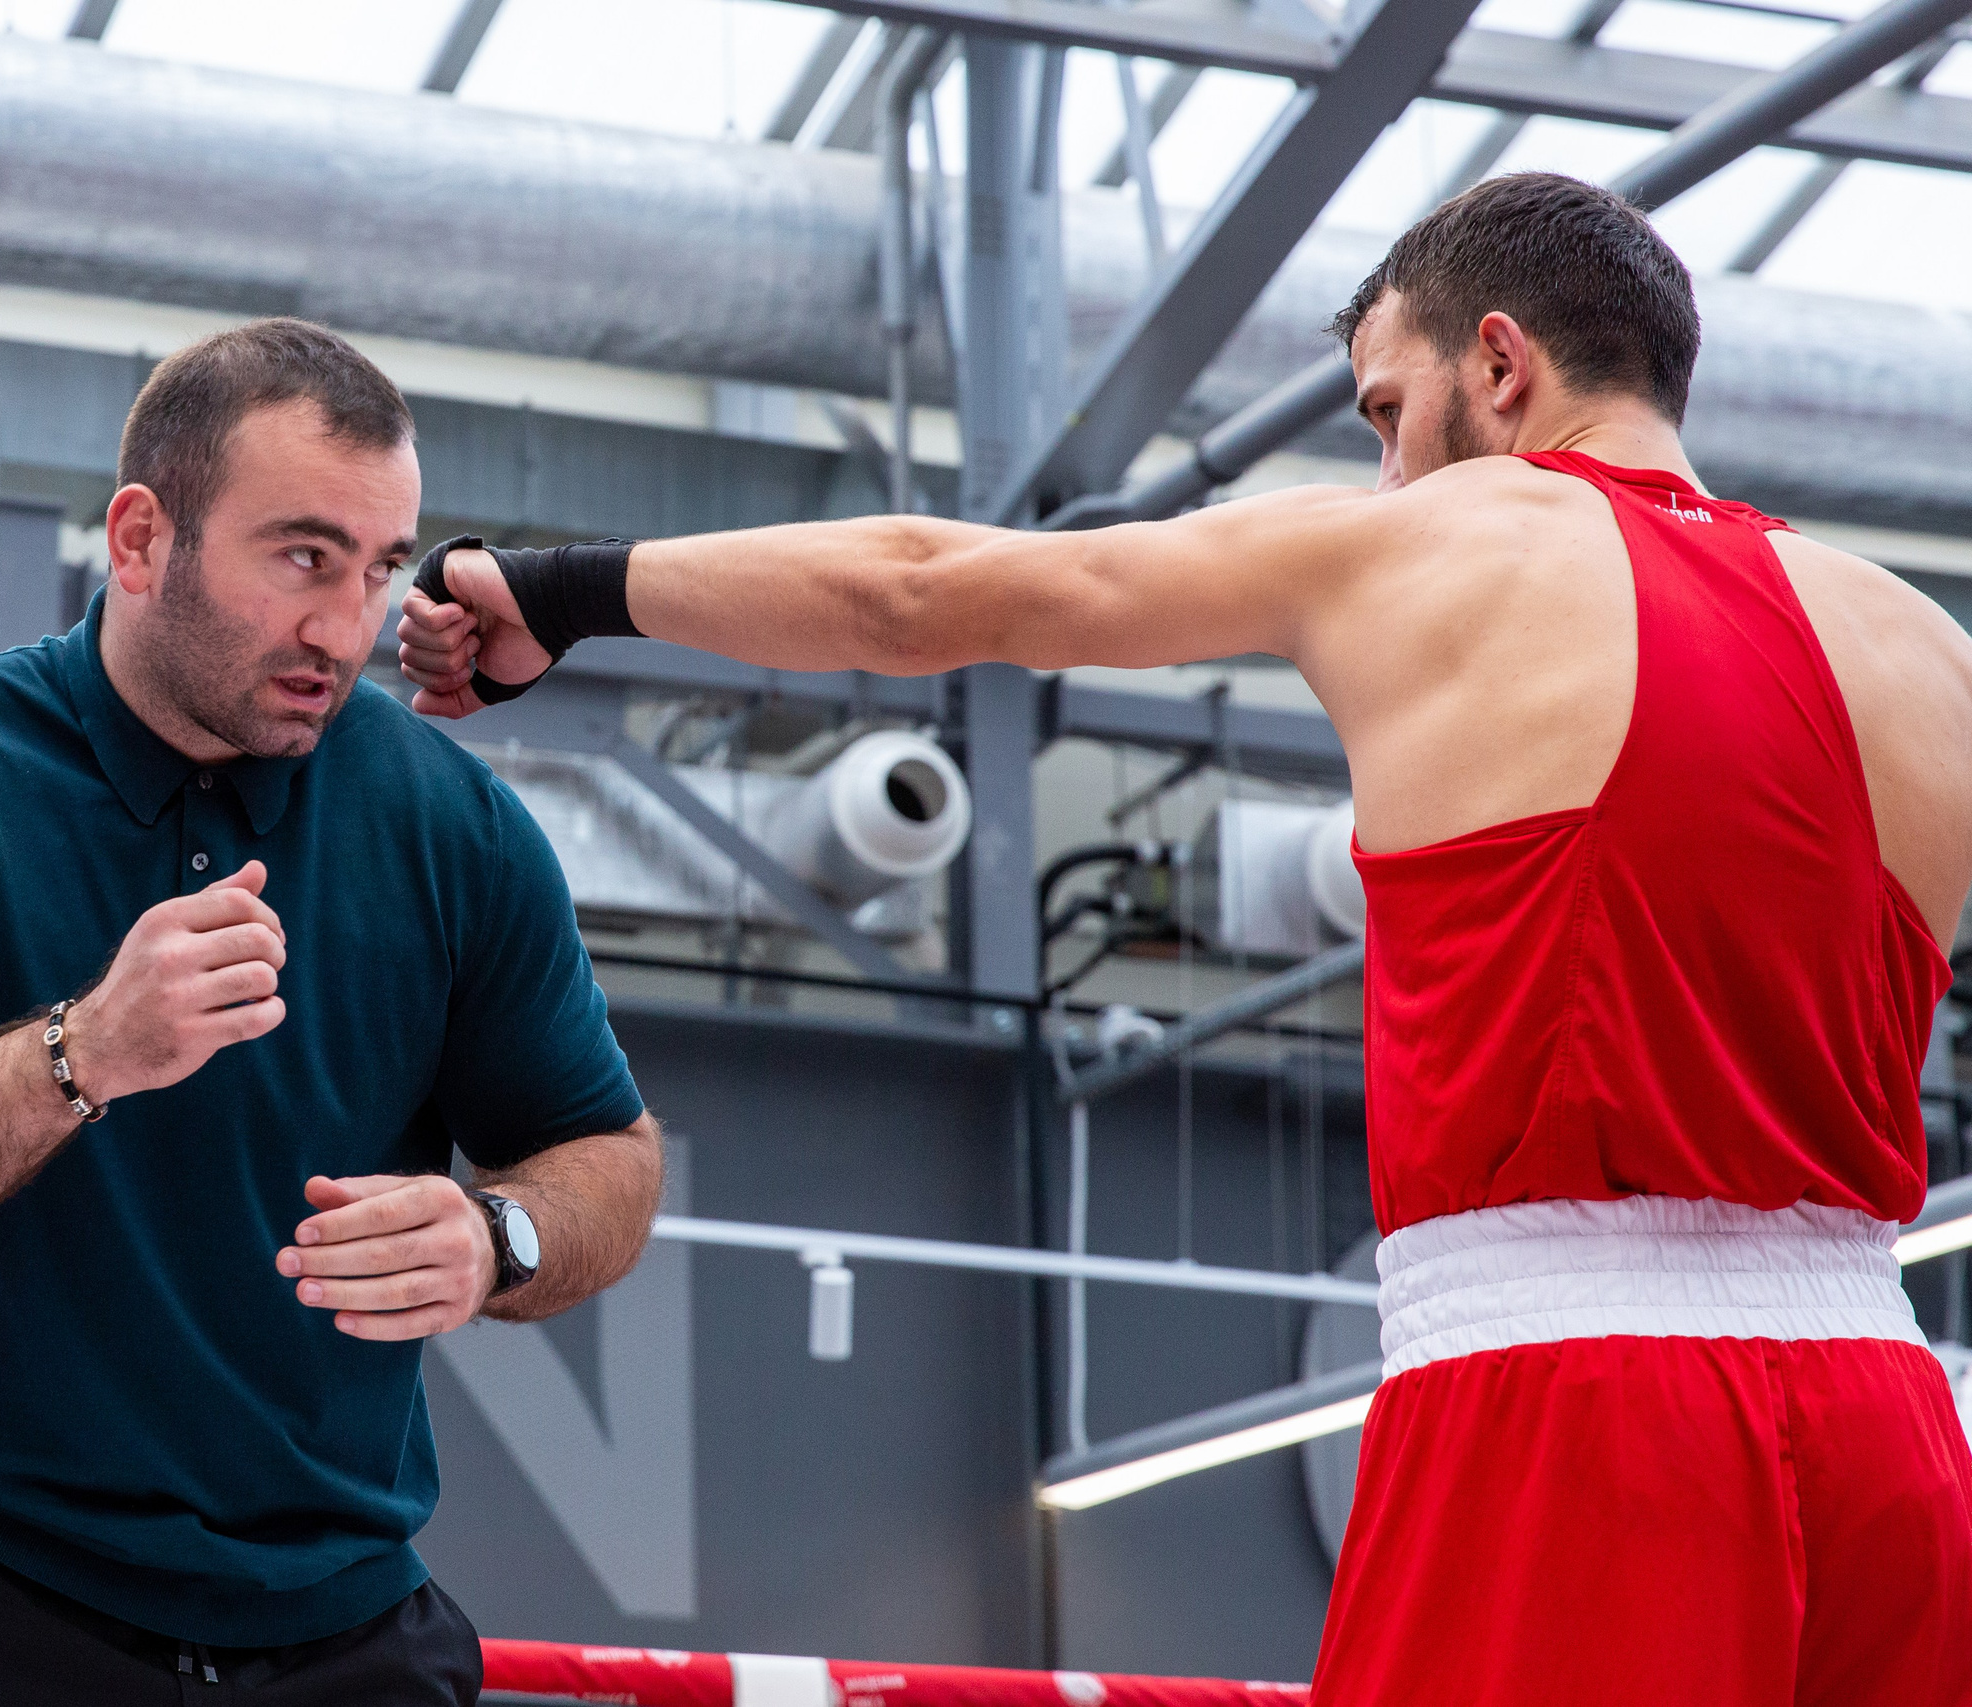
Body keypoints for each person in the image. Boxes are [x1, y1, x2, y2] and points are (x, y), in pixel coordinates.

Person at [398, 173, 1972, 1703]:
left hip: (1584, 1409)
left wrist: (559, 590)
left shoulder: (1440, 545)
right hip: (1894, 1423)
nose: (1387, 479)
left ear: (1501, 364)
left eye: (1386, 413)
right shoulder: (1921, 643)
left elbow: (922, 591)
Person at [0, 317, 661, 1707]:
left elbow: (610, 1158)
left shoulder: (456, 827)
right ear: (143, 539)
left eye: (380, 568)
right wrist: (78, 1054)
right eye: (303, 558)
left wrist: (499, 1236)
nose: (345, 627)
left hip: (350, 1630)